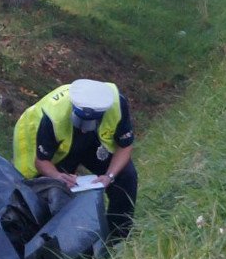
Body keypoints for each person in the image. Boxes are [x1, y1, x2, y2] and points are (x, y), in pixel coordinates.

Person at [13, 79, 138, 239]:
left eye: (88, 125)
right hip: (47, 142)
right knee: (53, 192)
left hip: (94, 140)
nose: (84, 130)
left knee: (126, 175)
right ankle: (67, 247)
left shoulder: (117, 104)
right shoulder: (52, 118)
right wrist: (58, 176)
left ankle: (118, 237)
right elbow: (41, 162)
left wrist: (109, 176)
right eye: (80, 123)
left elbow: (125, 146)